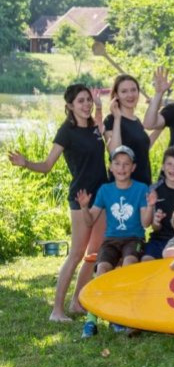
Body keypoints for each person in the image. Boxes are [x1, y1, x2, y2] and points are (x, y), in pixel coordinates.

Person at [9, 84, 107, 322]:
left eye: (88, 100)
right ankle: (57, 310)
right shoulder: (66, 132)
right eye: (81, 101)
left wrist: (99, 106)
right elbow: (46, 165)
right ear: (70, 106)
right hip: (81, 197)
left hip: (102, 195)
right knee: (76, 253)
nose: (86, 104)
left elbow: (100, 124)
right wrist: (26, 163)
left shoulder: (94, 126)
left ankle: (77, 303)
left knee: (94, 252)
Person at [77, 145, 157, 337]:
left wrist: (150, 207)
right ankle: (91, 319)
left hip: (134, 238)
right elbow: (90, 221)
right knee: (102, 270)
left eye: (126, 164)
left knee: (129, 265)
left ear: (133, 167)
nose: (122, 168)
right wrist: (84, 207)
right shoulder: (105, 190)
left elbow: (145, 223)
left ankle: (125, 315)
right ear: (111, 167)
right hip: (111, 240)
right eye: (117, 164)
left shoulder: (141, 189)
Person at [104, 74, 158, 186]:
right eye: (124, 91)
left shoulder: (136, 120)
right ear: (116, 95)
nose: (130, 95)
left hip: (143, 184)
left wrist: (160, 126)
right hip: (124, 187)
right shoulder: (111, 120)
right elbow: (114, 151)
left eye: (133, 90)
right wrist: (117, 118)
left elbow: (144, 147)